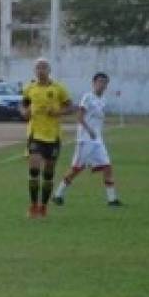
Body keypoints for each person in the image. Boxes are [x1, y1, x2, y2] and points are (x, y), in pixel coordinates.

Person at [53, 73, 122, 207]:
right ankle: (58, 195)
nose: (102, 84)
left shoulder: (103, 100)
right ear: (94, 83)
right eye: (100, 81)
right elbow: (79, 116)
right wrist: (89, 130)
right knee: (77, 169)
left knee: (107, 167)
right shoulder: (87, 97)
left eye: (105, 82)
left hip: (98, 141)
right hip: (85, 140)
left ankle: (112, 200)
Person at [19, 58, 72, 219]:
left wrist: (58, 113)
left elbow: (71, 106)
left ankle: (44, 206)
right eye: (38, 68)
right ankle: (33, 205)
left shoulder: (58, 89)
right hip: (35, 134)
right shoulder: (29, 88)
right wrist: (25, 113)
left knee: (48, 173)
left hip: (53, 136)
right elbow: (23, 106)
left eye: (43, 67)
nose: (40, 70)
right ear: (35, 71)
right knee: (34, 169)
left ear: (49, 70)